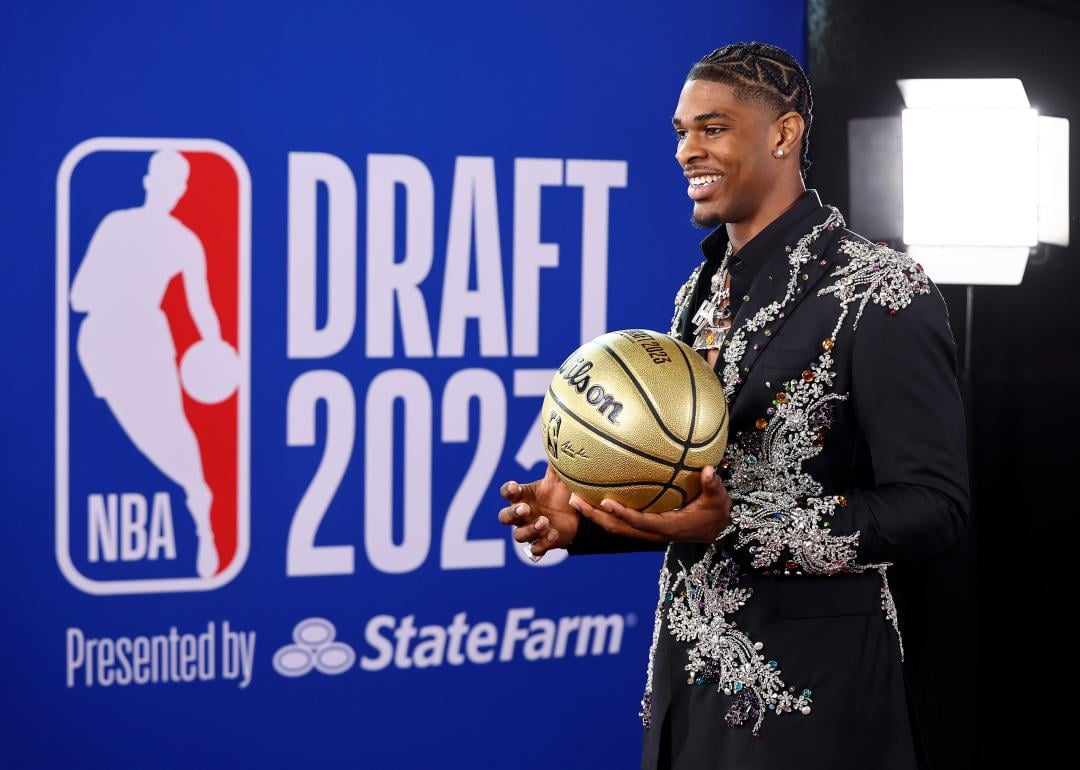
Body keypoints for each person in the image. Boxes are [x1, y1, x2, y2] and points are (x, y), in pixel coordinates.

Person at [497, 42, 970, 769]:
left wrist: (744, 524)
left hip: (814, 702)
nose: (688, 150)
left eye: (712, 129)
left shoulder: (881, 289)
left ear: (783, 134)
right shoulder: (700, 292)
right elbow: (693, 500)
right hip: (688, 691)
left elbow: (936, 507)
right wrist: (586, 521)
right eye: (681, 132)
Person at [70, 150, 224, 579]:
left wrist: (215, 349)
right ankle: (196, 497)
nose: (172, 191)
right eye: (167, 180)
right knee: (134, 433)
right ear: (148, 181)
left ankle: (201, 514)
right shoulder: (115, 225)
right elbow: (77, 296)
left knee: (171, 428)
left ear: (183, 190)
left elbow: (203, 307)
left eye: (180, 184)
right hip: (101, 343)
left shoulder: (185, 241)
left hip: (149, 340)